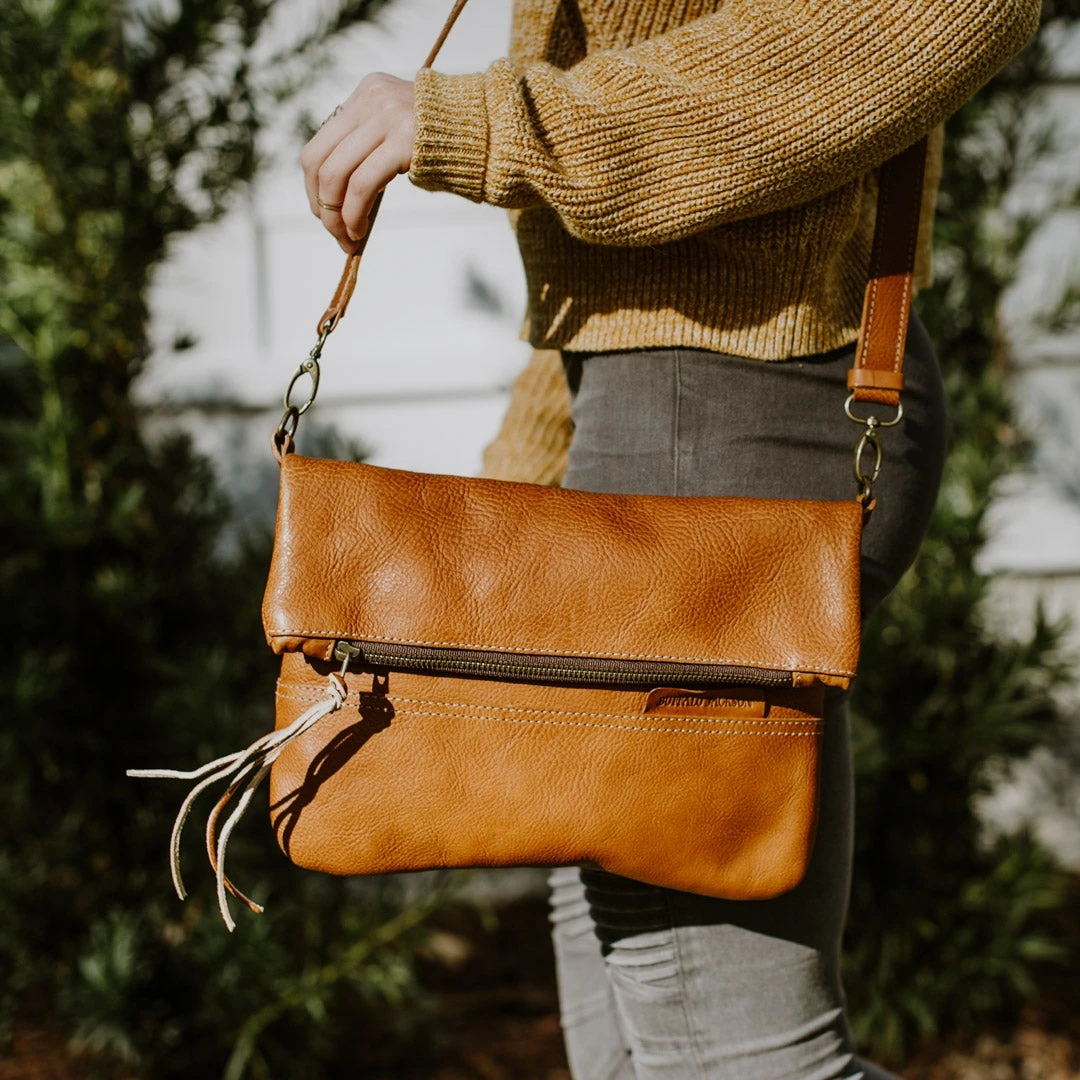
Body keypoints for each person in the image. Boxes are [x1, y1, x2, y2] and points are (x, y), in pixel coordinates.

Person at [299, 1, 1041, 1076]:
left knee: (730, 1060)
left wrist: (497, 125)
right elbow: (620, 301)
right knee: (639, 1058)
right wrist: (526, 499)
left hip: (736, 416)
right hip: (655, 422)